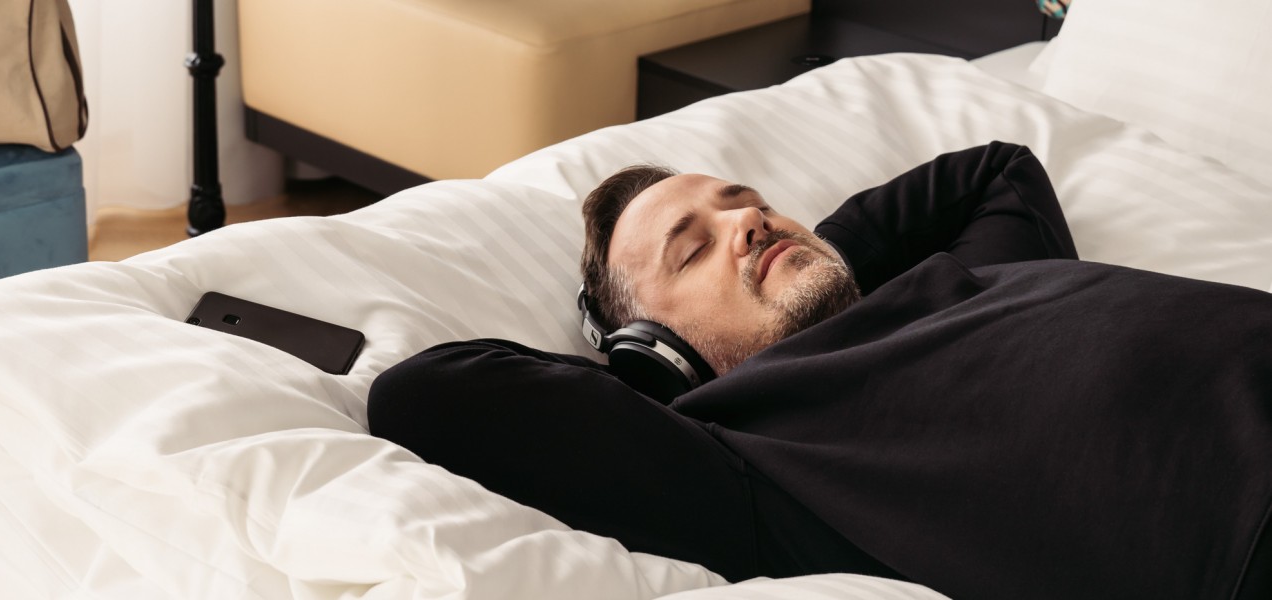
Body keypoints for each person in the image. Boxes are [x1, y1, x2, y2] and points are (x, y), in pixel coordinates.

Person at [366, 142, 1272, 600]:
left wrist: (817, 257)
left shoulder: (958, 276)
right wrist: (656, 375)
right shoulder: (752, 456)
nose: (748, 223)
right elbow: (427, 395)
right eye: (692, 249)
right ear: (654, 342)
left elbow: (995, 170)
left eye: (748, 204)